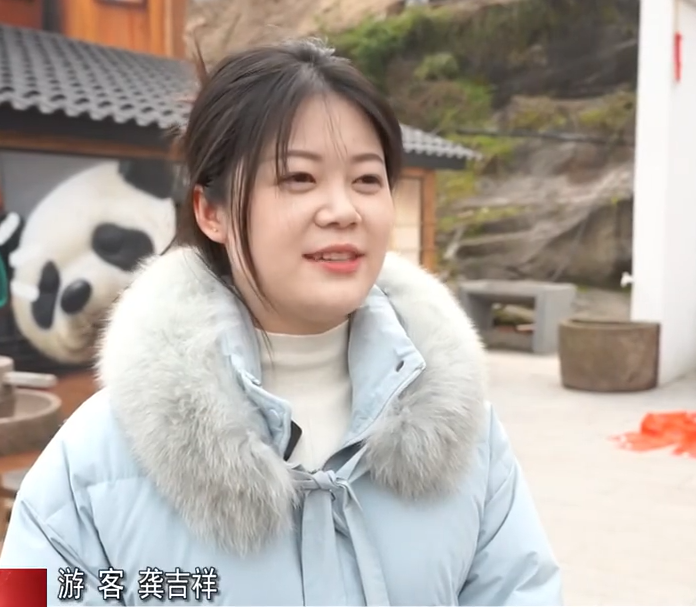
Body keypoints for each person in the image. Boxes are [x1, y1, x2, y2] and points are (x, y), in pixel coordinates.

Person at [0, 39, 562, 605]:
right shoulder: (94, 458)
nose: (343, 210)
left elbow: (522, 589)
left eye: (367, 180)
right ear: (212, 212)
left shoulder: (469, 435)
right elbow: (27, 593)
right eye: (299, 178)